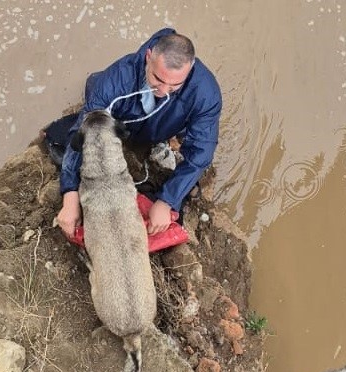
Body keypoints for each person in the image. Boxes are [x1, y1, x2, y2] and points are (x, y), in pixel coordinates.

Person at [56, 28, 222, 241]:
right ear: (148, 57)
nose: (163, 91)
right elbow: (83, 131)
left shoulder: (206, 93)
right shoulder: (117, 79)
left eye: (175, 85)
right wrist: (69, 195)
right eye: (157, 79)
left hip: (166, 124)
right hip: (121, 119)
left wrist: (166, 201)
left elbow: (202, 151)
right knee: (89, 103)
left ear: (189, 71)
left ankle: (165, 139)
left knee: (186, 155)